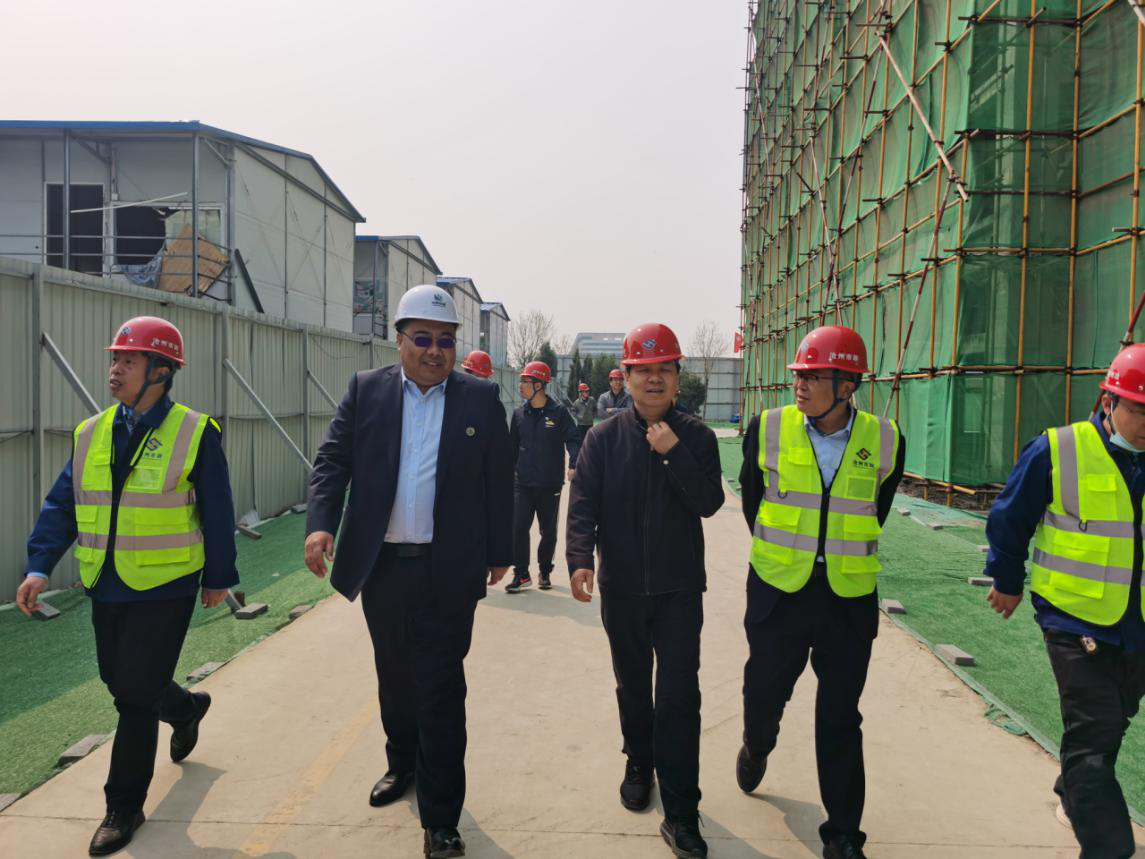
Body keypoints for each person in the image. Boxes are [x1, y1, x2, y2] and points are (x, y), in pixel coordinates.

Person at [305, 283, 513, 859]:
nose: (434, 351)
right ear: (398, 340)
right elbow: (332, 461)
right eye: (422, 338)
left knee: (442, 689)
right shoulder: (367, 391)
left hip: (449, 569)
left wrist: (502, 549)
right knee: (395, 677)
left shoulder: (479, 398)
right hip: (385, 569)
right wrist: (321, 523)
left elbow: (499, 478)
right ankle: (403, 763)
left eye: (445, 340)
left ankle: (441, 818)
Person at [17, 316, 237, 857]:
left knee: (135, 696)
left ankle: (123, 806)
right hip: (105, 580)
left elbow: (217, 507)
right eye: (115, 358)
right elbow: (63, 504)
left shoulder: (195, 431)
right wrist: (39, 566)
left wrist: (219, 576)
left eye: (128, 360)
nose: (115, 369)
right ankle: (185, 709)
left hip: (167, 584)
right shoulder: (90, 432)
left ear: (160, 371)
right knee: (120, 680)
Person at [737, 325, 904, 859]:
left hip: (847, 601)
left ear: (847, 386)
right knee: (764, 694)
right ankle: (756, 744)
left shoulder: (885, 439)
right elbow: (752, 500)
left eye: (813, 377)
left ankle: (844, 836)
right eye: (799, 376)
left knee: (840, 716)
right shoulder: (767, 428)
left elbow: (877, 507)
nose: (800, 386)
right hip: (779, 593)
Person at [567, 323, 724, 859]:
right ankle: (639, 761)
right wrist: (579, 560)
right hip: (623, 589)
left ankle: (681, 812)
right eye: (643, 370)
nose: (654, 379)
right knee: (633, 687)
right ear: (627, 376)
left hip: (680, 591)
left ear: (678, 377)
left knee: (679, 698)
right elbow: (583, 504)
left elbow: (709, 503)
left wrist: (673, 451)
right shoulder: (603, 439)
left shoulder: (697, 437)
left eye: (664, 369)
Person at [984, 343, 1145, 859]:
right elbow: (1010, 518)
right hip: (1074, 623)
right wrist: (1007, 579)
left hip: (1137, 627)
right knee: (1094, 740)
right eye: (1139, 410)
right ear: (1108, 402)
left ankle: (1071, 794)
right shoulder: (1058, 449)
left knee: (1112, 725)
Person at [506, 361, 580, 593]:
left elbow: (573, 439)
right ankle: (521, 574)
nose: (520, 385)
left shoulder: (559, 413)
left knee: (548, 532)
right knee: (518, 528)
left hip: (550, 483)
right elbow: (511, 448)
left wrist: (574, 464)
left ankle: (545, 571)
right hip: (522, 483)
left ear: (539, 385)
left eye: (525, 381)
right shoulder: (519, 414)